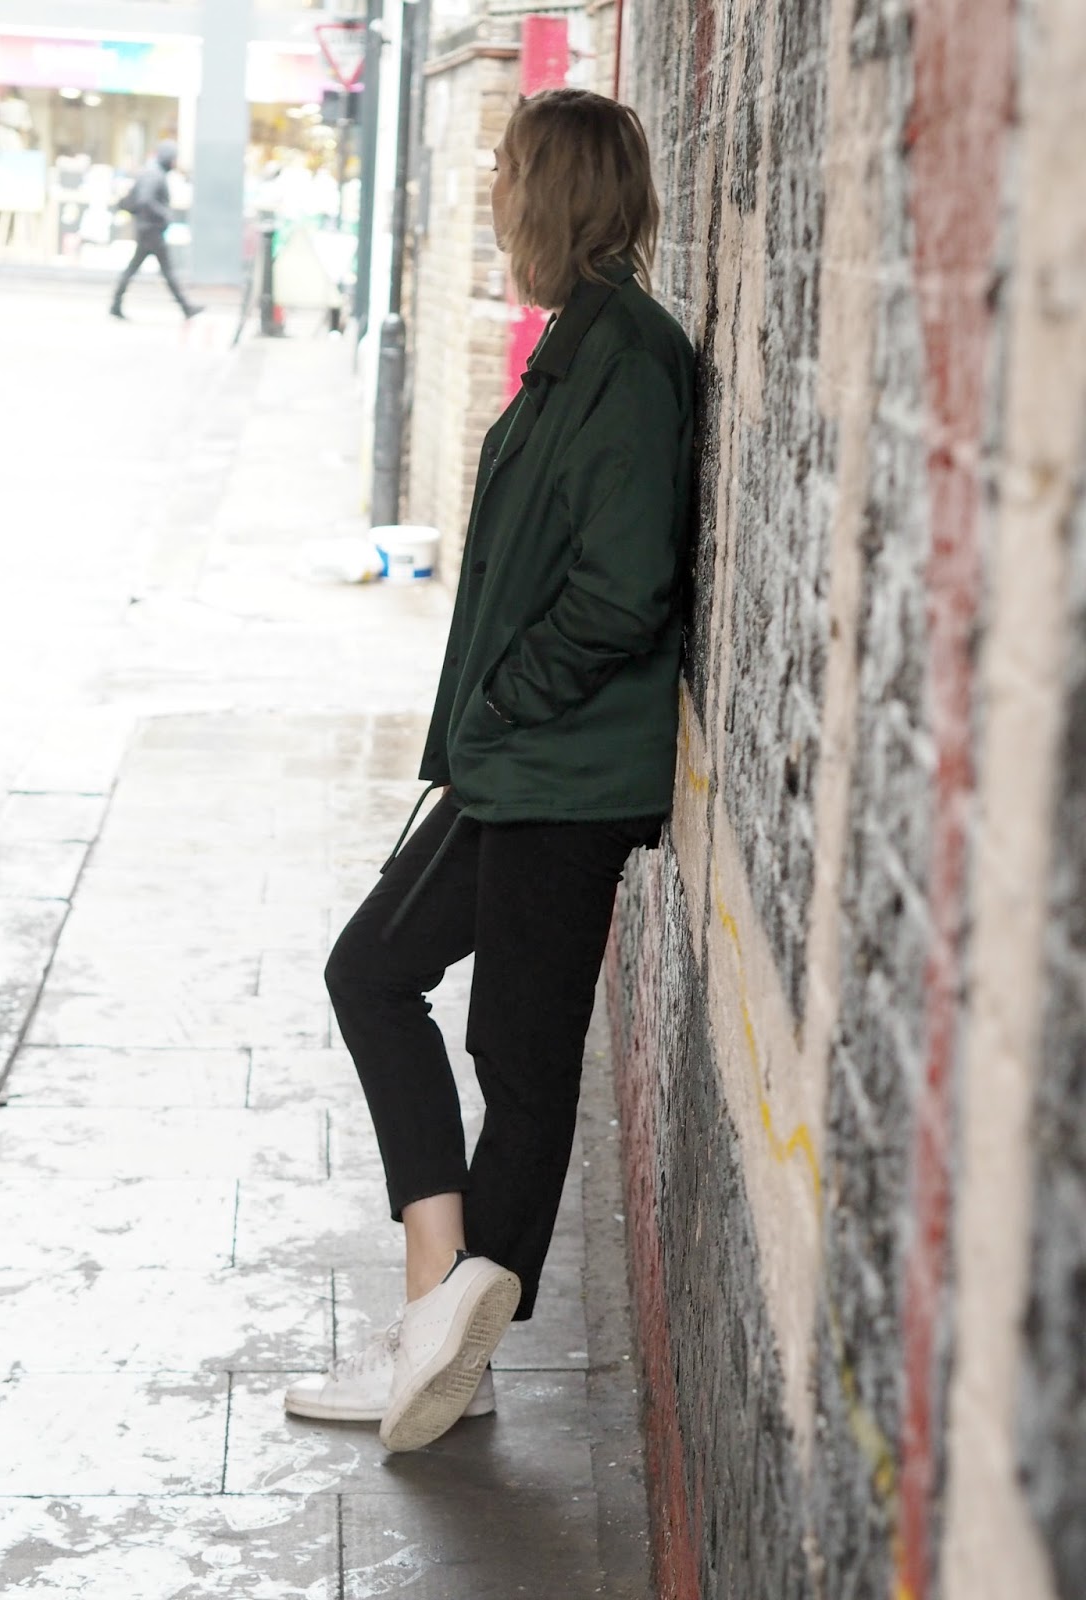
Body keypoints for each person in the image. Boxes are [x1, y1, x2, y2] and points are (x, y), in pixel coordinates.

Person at [285, 88, 696, 1453]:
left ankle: (449, 1338)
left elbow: (624, 589)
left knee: (517, 1057)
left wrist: (508, 701)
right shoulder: (581, 342)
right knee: (371, 970)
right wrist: (491, 726)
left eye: (512, 169)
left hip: (563, 772)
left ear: (555, 192)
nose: (497, 191)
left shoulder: (628, 359)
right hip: (516, 766)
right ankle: (436, 1317)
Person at [109, 140, 202, 321]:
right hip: (151, 230)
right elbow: (145, 200)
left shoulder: (152, 173)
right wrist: (165, 215)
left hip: (147, 229)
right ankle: (186, 307)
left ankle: (116, 304)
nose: (175, 162)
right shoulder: (154, 175)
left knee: (138, 269)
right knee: (166, 270)